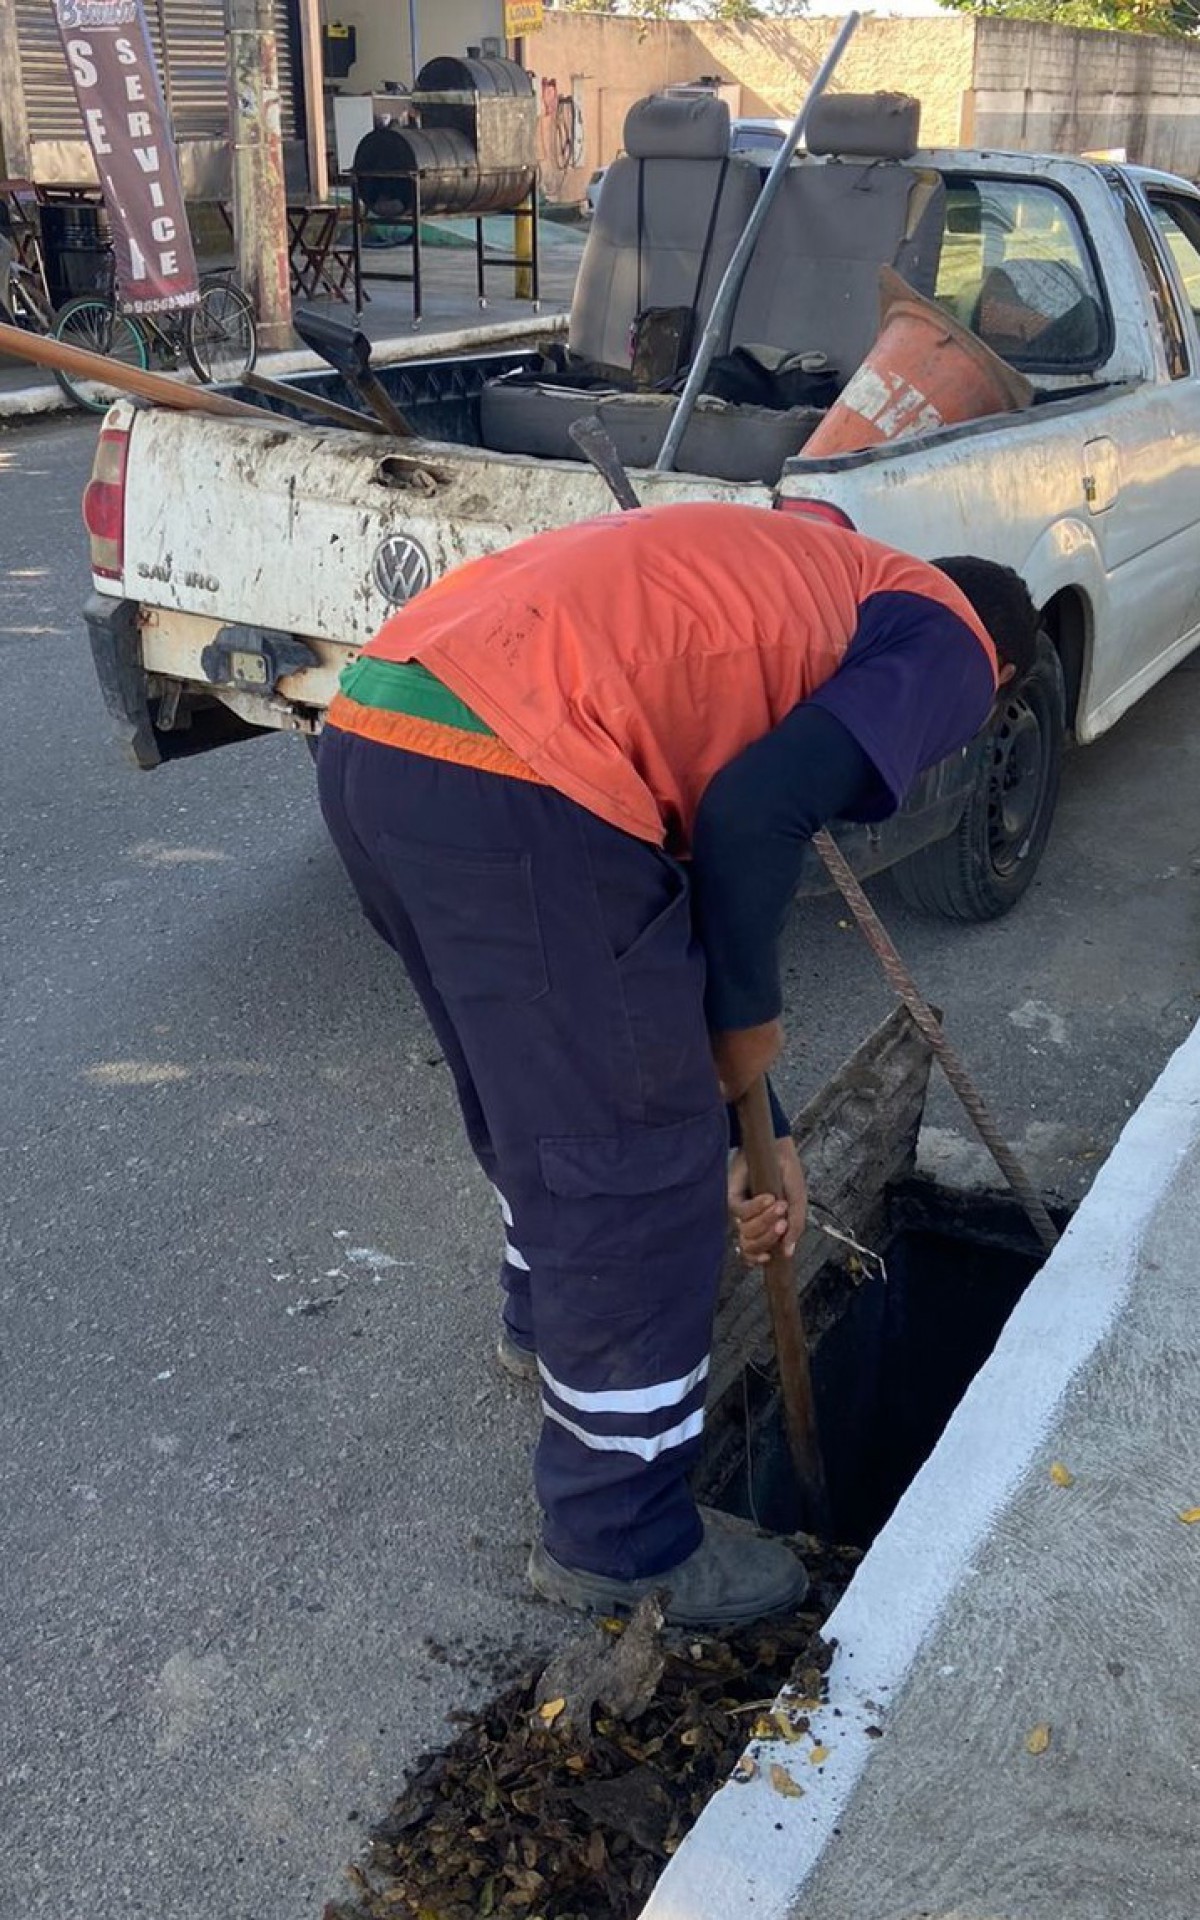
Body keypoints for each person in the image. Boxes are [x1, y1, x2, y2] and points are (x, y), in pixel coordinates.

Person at [317, 502, 1037, 1628]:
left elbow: (690, 889)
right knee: (638, 1168)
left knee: (548, 1088)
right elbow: (751, 815)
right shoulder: (952, 643)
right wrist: (747, 1034)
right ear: (1000, 679)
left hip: (382, 728)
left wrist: (763, 1124)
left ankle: (549, 1326)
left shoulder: (827, 584)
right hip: (519, 765)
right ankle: (623, 1537)